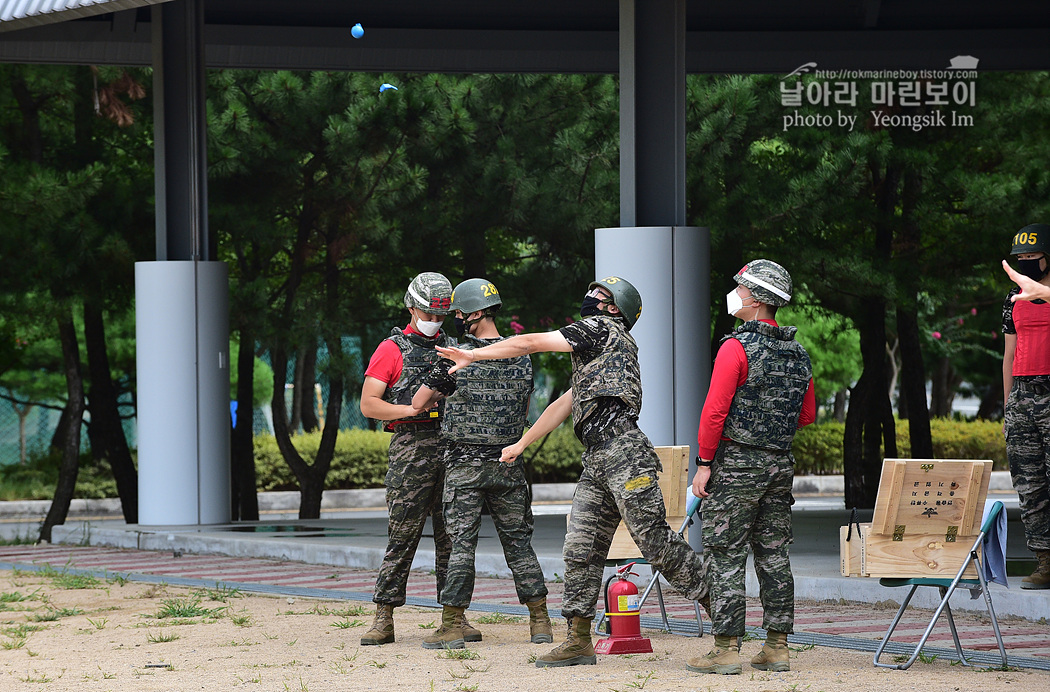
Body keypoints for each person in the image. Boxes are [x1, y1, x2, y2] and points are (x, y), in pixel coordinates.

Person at [438, 276, 709, 669]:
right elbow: (563, 405)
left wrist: (474, 356)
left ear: (614, 308)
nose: (590, 297)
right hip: (598, 458)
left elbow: (530, 342)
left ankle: (725, 613)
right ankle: (578, 640)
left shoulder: (602, 328)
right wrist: (521, 445)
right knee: (580, 550)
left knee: (656, 544)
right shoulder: (596, 355)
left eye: (600, 295)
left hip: (624, 452)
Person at [409, 278, 553, 649]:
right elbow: (523, 411)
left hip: (464, 465)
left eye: (458, 313)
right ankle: (540, 621)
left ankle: (453, 625)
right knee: (519, 543)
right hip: (508, 462)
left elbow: (419, 403)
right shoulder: (520, 355)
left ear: (474, 314)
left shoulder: (455, 355)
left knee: (461, 545)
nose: (456, 319)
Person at [690, 259, 816, 675]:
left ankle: (726, 649)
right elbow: (806, 415)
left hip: (737, 463)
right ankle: (777, 646)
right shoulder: (798, 352)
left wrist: (704, 463)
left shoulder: (735, 347)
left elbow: (714, 413)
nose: (736, 294)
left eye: (742, 289)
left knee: (725, 553)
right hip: (780, 464)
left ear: (759, 299)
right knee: (774, 553)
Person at [358, 272, 463, 646]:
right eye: (427, 313)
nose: (434, 321)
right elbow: (369, 404)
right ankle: (383, 616)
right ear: (411, 306)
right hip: (411, 448)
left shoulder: (454, 347)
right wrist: (411, 409)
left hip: (451, 448)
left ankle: (455, 616)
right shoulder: (392, 348)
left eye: (440, 315)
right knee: (403, 534)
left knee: (453, 536)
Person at [1001, 224, 1050, 590]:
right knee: (1029, 485)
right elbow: (1008, 355)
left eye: (1032, 257)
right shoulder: (1013, 299)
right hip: (1021, 395)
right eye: (1021, 259)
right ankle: (1045, 561)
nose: (1026, 264)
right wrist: (1007, 407)